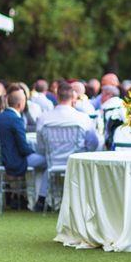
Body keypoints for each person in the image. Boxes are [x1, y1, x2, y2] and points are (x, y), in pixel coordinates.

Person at [35, 83, 100, 211]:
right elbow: (93, 143)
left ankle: (42, 199)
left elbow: (41, 145)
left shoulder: (44, 118)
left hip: (52, 163)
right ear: (73, 98)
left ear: (56, 97)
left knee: (41, 163)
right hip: (76, 163)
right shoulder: (82, 118)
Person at [0, 89, 47, 210]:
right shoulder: (16, 120)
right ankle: (40, 198)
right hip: (12, 160)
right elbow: (23, 148)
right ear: (20, 104)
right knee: (48, 161)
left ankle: (24, 196)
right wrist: (34, 152)